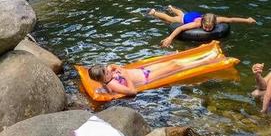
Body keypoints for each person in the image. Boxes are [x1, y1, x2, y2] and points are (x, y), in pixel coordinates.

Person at [89, 51, 219, 96]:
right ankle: (207, 60)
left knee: (172, 61)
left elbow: (110, 67)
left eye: (106, 69)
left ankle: (202, 57)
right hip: (148, 77)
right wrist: (126, 76)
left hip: (144, 71)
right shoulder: (113, 85)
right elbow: (132, 92)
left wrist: (115, 67)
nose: (108, 70)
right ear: (103, 78)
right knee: (176, 65)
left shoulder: (106, 77)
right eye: (106, 72)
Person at [149, 5, 257, 47]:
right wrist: (170, 38)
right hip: (188, 19)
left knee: (182, 13)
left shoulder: (217, 19)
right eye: (206, 27)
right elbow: (180, 28)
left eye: (210, 28)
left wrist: (247, 20)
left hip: (194, 13)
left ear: (215, 23)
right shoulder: (197, 23)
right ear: (203, 23)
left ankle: (171, 8)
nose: (207, 29)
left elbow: (231, 19)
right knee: (171, 19)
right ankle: (154, 12)